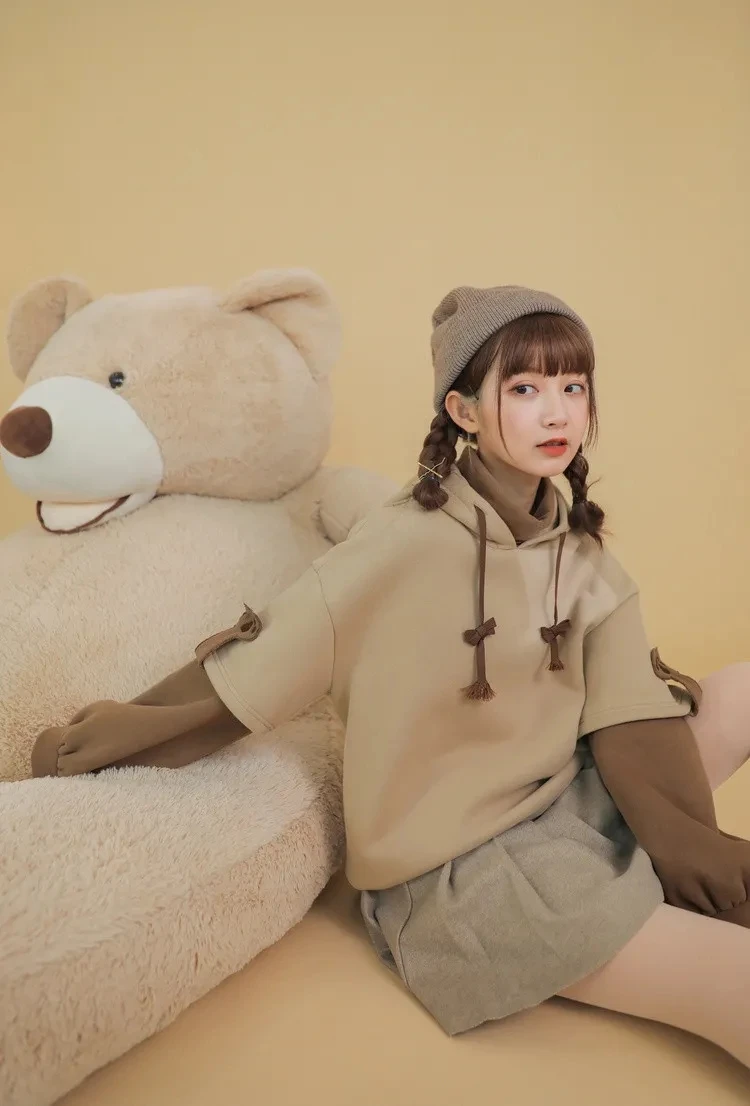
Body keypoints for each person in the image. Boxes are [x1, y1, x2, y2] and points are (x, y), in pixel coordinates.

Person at [31, 284, 750, 1068]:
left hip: (564, 804)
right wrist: (92, 744)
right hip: (462, 874)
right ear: (464, 411)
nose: (557, 414)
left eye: (572, 388)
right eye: (524, 389)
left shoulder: (578, 553)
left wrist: (689, 844)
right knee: (733, 977)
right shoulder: (402, 544)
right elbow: (261, 662)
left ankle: (652, 872)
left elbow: (631, 718)